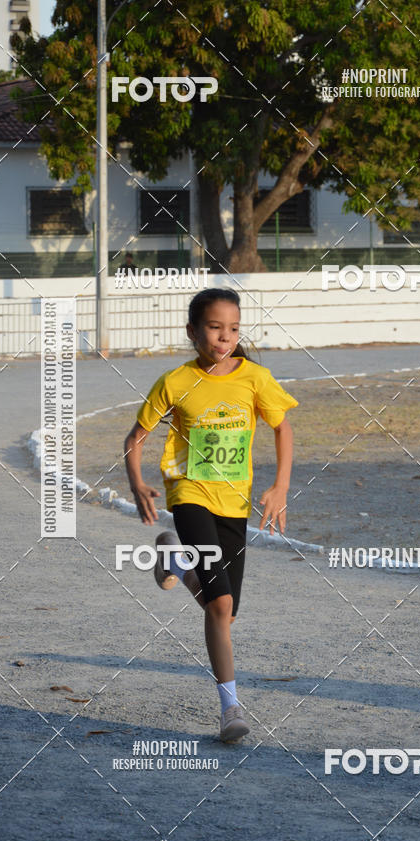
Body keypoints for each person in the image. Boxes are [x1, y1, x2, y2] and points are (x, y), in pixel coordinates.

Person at [124, 288, 297, 742]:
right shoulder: (175, 382)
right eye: (215, 327)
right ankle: (230, 709)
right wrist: (138, 482)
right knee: (219, 605)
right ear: (193, 331)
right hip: (189, 493)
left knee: (226, 614)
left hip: (234, 501)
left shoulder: (254, 378)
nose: (225, 336)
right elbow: (136, 437)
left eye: (234, 328)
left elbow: (282, 427)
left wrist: (280, 485)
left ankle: (175, 562)